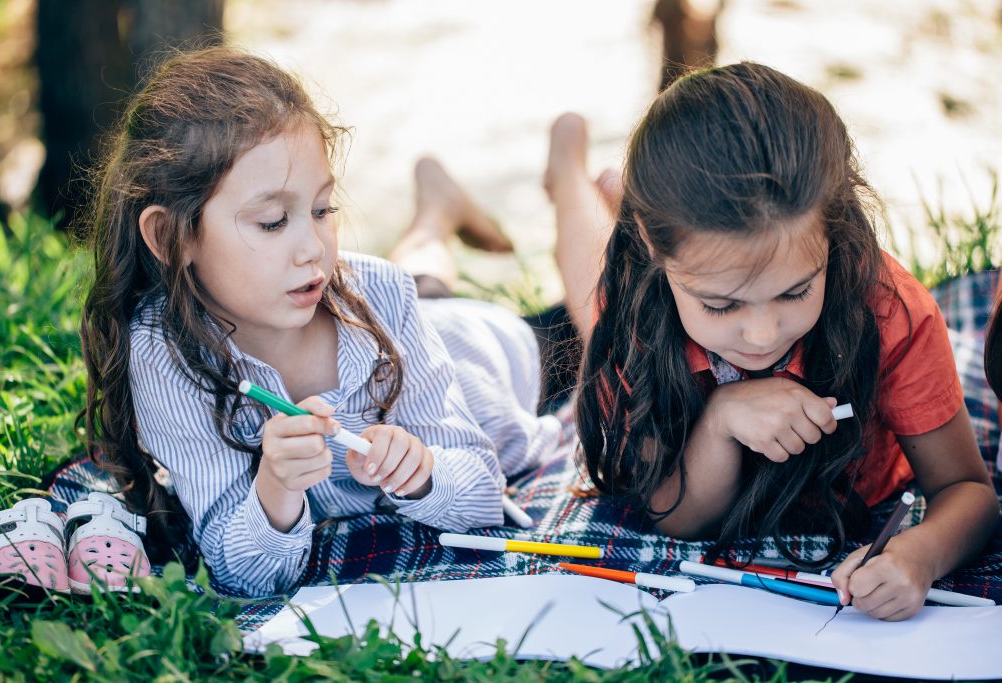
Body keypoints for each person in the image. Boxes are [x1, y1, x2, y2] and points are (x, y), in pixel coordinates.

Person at [79, 47, 561, 598]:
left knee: (584, 316)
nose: (313, 249)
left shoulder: (381, 295)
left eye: (323, 210)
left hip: (489, 356)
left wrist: (423, 474)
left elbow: (480, 492)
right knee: (418, 286)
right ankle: (436, 211)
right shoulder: (165, 353)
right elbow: (242, 570)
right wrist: (275, 489)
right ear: (171, 238)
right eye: (272, 221)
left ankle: (565, 175)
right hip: (407, 312)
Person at [561, 62, 998, 621]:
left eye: (795, 293)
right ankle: (566, 170)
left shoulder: (890, 311)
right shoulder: (637, 319)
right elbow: (678, 518)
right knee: (585, 298)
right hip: (631, 274)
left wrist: (922, 551)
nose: (762, 336)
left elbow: (968, 490)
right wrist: (718, 420)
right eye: (722, 305)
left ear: (833, 234)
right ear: (655, 248)